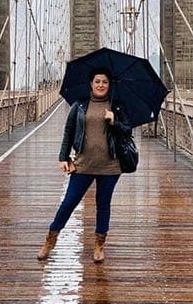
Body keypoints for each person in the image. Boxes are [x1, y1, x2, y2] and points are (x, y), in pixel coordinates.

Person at [37, 66, 132, 263]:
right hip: (83, 164)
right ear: (91, 83)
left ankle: (99, 245)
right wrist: (63, 157)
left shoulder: (118, 106)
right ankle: (50, 239)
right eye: (97, 81)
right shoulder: (79, 105)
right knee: (69, 202)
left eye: (105, 82)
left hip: (110, 166)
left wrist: (114, 121)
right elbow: (69, 131)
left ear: (109, 84)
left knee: (103, 205)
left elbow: (127, 132)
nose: (101, 85)